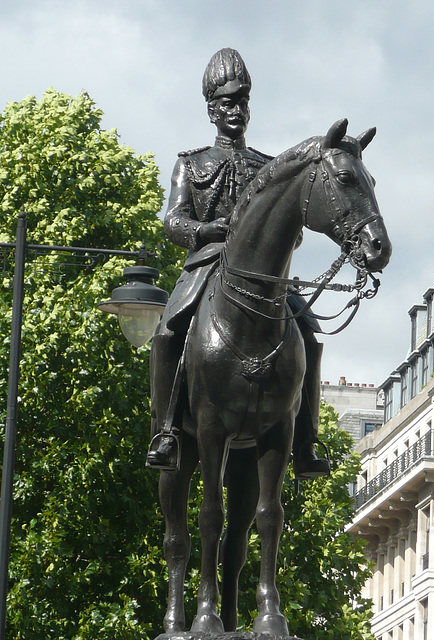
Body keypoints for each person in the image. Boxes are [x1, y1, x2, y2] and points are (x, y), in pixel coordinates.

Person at [148, 48, 328, 479]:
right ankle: (166, 430)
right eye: (228, 103)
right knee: (166, 331)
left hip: (263, 276)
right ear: (212, 110)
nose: (237, 111)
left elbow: (293, 226)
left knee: (310, 332)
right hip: (207, 265)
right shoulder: (190, 164)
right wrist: (209, 231)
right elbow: (173, 221)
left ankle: (306, 438)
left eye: (243, 102)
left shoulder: (269, 167)